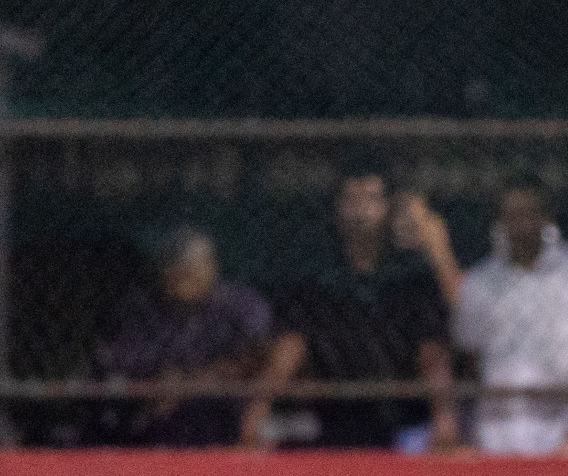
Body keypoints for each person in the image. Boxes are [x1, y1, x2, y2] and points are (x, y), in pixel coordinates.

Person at [250, 170, 461, 450]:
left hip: (402, 417)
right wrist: (260, 406)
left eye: (371, 198)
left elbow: (432, 351)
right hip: (330, 415)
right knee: (282, 434)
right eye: (352, 198)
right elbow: (291, 344)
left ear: (388, 207)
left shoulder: (412, 277)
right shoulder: (316, 275)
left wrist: (443, 415)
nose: (361, 208)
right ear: (337, 208)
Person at [453, 181, 568, 455]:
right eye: (512, 214)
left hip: (564, 431)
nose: (522, 223)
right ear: (500, 220)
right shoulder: (478, 282)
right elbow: (469, 361)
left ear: (546, 217)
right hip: (496, 435)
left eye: (530, 213)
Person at [98, 226, 272, 447]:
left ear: (208, 268)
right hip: (159, 417)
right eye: (172, 270)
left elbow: (262, 354)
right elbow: (124, 362)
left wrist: (194, 382)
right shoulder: (146, 311)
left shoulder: (239, 306)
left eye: (188, 271)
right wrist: (158, 384)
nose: (177, 280)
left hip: (224, 413)